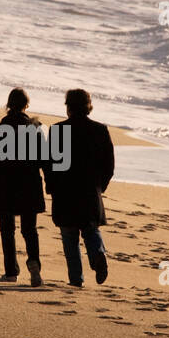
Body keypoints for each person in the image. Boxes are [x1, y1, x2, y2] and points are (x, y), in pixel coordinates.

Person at [45, 88, 114, 287]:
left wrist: (51, 187)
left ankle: (76, 279)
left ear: (69, 107)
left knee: (69, 236)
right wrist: (100, 186)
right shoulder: (100, 130)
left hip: (65, 190)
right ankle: (98, 254)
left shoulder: (58, 130)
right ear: (88, 106)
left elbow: (51, 165)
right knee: (90, 229)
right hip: (90, 190)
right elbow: (108, 165)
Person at [0, 88, 47, 286]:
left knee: (7, 230)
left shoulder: (0, 129)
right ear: (27, 105)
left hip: (4, 187)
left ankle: (10, 272)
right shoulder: (34, 128)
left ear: (8, 105)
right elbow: (44, 161)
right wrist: (51, 184)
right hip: (29, 187)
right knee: (29, 230)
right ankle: (34, 263)